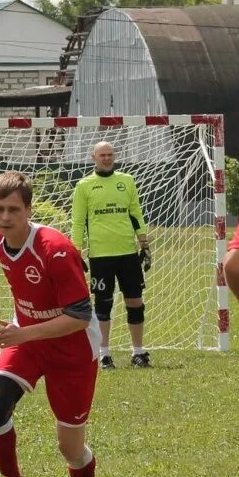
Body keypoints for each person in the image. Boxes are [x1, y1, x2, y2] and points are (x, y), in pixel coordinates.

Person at [0, 171, 102, 477]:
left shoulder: (56, 250)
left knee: (69, 446)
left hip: (73, 350)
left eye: (13, 210)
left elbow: (80, 317)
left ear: (29, 210)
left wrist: (25, 333)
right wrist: (23, 327)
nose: (5, 218)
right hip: (30, 338)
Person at [70, 141, 152, 370]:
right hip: (100, 256)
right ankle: (104, 354)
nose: (107, 158)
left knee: (135, 302)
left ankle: (138, 352)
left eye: (110, 155)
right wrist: (75, 252)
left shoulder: (127, 181)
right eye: (102, 155)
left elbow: (136, 213)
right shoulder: (84, 186)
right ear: (93, 157)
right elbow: (78, 222)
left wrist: (144, 244)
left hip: (127, 253)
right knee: (102, 305)